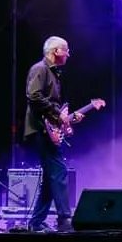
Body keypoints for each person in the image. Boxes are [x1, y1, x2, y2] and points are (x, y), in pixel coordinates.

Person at [24, 36, 81, 232]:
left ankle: (36, 222)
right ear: (56, 51)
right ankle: (64, 219)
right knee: (59, 171)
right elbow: (33, 96)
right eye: (66, 50)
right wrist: (58, 114)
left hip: (46, 129)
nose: (68, 54)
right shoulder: (40, 69)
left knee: (50, 179)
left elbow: (51, 106)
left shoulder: (54, 73)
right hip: (39, 130)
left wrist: (67, 119)